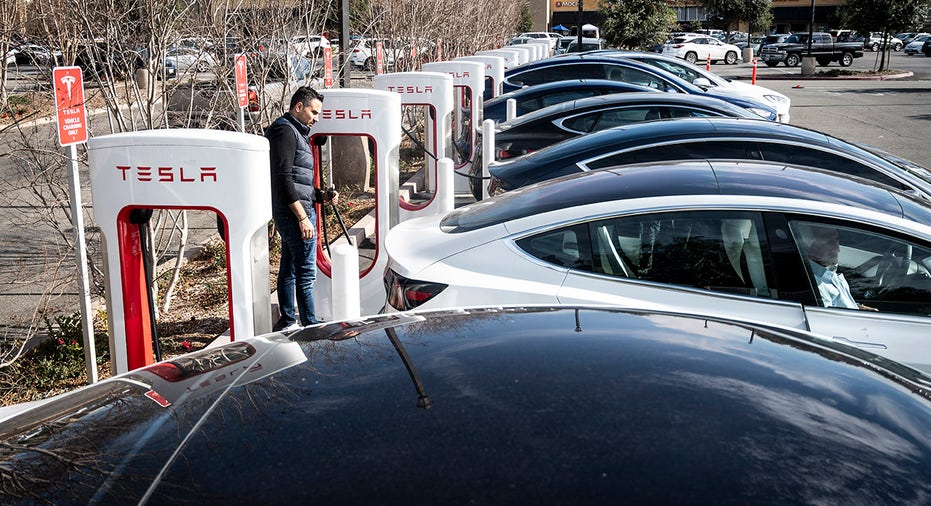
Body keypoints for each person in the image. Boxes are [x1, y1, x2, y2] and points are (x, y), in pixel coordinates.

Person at [267, 86, 336, 331]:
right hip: (294, 214)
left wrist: (322, 196)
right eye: (313, 112)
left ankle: (287, 321)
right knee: (306, 274)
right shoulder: (285, 132)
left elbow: (299, 182)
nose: (316, 118)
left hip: (297, 210)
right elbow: (283, 179)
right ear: (299, 107)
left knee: (289, 269)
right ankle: (311, 326)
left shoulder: (296, 132)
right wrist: (303, 218)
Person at [804, 225, 876, 311]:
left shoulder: (829, 272)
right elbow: (829, 320)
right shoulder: (814, 286)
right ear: (812, 248)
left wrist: (859, 307)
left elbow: (838, 305)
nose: (837, 249)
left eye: (836, 240)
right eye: (829, 242)